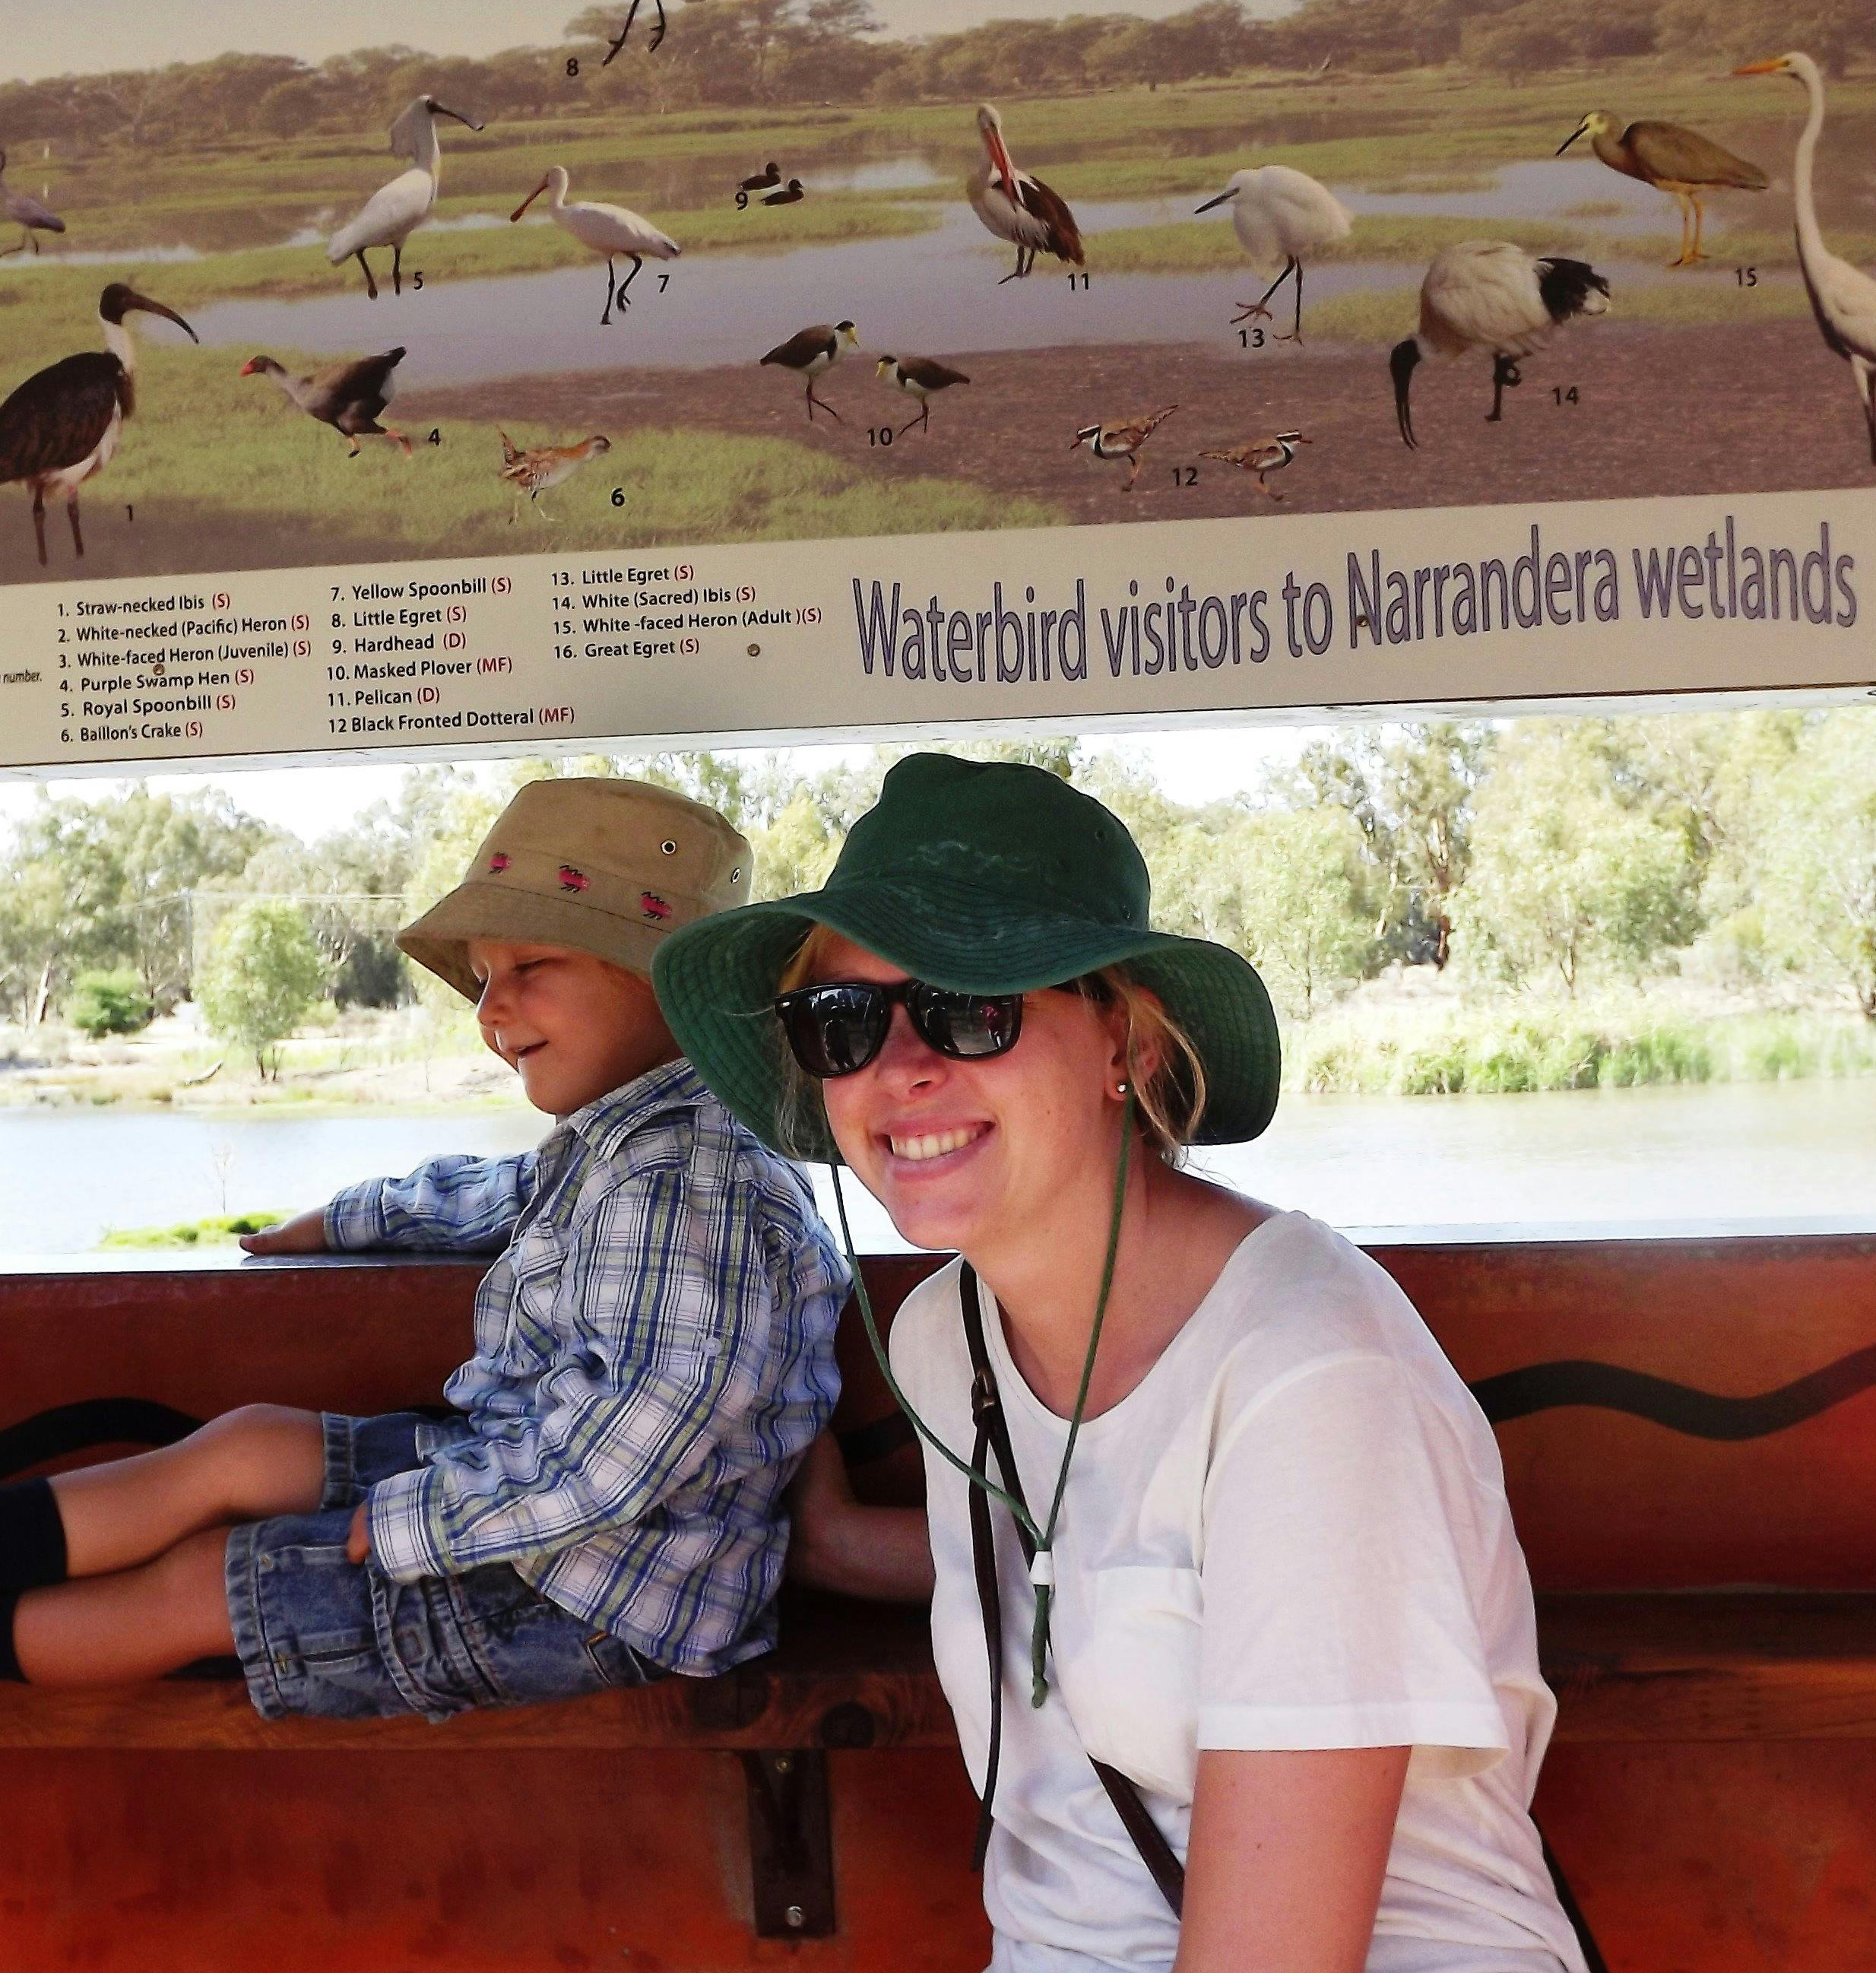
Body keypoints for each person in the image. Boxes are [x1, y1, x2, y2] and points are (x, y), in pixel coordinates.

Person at [652, 753, 1589, 1973]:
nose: (900, 1068)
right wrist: (818, 1531)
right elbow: (1087, 1569)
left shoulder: (1310, 1375)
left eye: (969, 1007)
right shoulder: (949, 1340)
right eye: (842, 1022)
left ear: (1126, 1045)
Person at [0, 776, 853, 1722]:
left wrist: (413, 1525)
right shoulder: (632, 1144)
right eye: (485, 980)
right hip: (537, 1511)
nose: (491, 1012)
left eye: (532, 969)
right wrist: (350, 1217)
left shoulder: (697, 1186)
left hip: (590, 1598)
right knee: (243, 1450)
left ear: (671, 989)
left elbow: (624, 1459)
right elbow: (502, 1197)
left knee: (210, 1579)